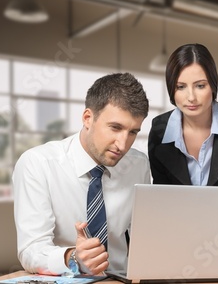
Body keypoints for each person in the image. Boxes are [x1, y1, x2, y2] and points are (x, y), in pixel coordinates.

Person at [13, 73, 150, 276]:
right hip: (67, 279)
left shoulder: (138, 165)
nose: (123, 144)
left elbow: (145, 238)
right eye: (115, 128)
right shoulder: (37, 164)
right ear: (88, 118)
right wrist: (73, 257)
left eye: (133, 132)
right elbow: (30, 250)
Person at [148, 43, 218, 187]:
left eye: (200, 86)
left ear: (213, 86)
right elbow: (161, 193)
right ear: (172, 88)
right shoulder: (160, 129)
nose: (191, 97)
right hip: (178, 210)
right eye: (181, 87)